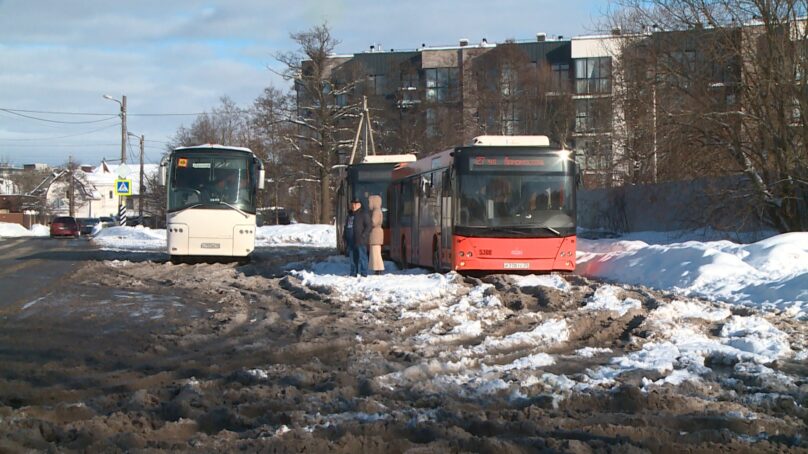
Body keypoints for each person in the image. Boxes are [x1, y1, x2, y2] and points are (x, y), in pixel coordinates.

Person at [343, 198, 371, 277]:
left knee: (362, 257)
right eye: (352, 204)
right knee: (352, 258)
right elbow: (346, 226)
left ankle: (364, 273)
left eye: (355, 204)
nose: (353, 205)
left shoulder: (363, 214)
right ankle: (353, 273)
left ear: (359, 205)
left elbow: (368, 226)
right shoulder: (350, 215)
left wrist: (364, 235)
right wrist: (344, 236)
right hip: (351, 240)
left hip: (360, 240)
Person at [368, 195, 384, 275]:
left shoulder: (376, 212)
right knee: (376, 252)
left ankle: (378, 268)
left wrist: (367, 222)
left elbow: (373, 222)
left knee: (376, 253)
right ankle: (377, 268)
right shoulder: (378, 211)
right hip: (376, 234)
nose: (369, 204)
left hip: (375, 235)